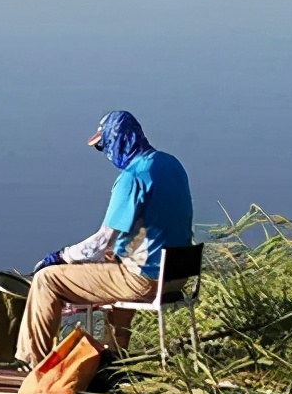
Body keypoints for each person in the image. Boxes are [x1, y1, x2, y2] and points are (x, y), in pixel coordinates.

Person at [15, 111, 193, 368]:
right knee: (112, 259)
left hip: (145, 280)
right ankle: (113, 354)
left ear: (117, 141)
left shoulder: (132, 177)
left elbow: (102, 242)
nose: (105, 152)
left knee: (46, 280)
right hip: (176, 274)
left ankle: (34, 365)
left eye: (103, 145)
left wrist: (60, 257)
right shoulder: (170, 164)